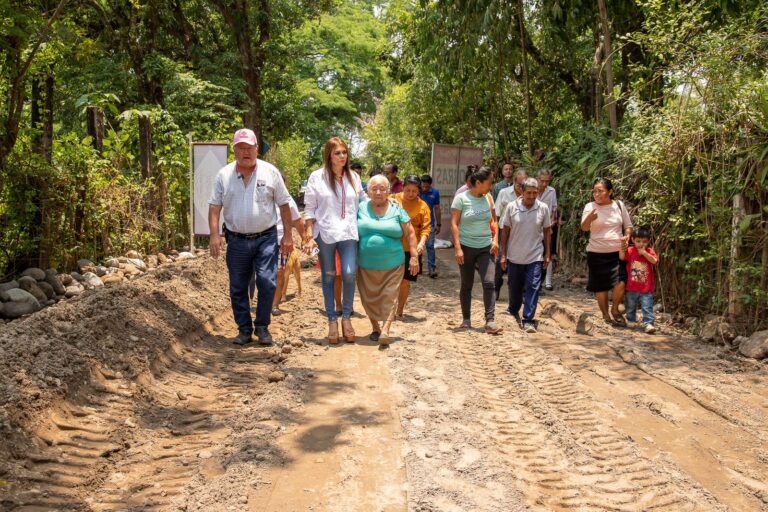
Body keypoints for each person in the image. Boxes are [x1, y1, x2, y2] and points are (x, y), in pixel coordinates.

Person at [208, 128, 294, 346]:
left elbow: (284, 205)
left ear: (257, 149)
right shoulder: (224, 175)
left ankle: (263, 326)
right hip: (235, 239)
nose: (246, 152)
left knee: (267, 281)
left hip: (265, 237)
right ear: (235, 150)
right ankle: (244, 329)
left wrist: (288, 237)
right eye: (241, 148)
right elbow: (214, 207)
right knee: (238, 285)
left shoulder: (270, 172)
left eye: (250, 148)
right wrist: (214, 234)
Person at [303, 137, 366, 344]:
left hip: (349, 232)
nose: (342, 156)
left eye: (344, 152)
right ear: (329, 155)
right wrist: (308, 235)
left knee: (349, 273)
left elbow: (363, 201)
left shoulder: (353, 177)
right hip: (326, 233)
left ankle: (346, 318)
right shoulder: (317, 177)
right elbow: (310, 208)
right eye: (337, 153)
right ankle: (332, 320)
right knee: (329, 276)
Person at [357, 175, 419, 345]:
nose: (378, 192)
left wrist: (414, 257)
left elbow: (411, 233)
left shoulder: (397, 209)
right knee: (369, 296)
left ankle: (386, 329)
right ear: (368, 191)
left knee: (390, 295)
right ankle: (375, 327)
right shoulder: (360, 208)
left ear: (388, 191)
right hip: (365, 264)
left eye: (382, 189)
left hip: (393, 263)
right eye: (374, 189)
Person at [451, 166, 503, 334]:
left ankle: (490, 321)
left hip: (485, 247)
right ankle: (466, 319)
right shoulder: (461, 199)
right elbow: (454, 224)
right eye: (489, 182)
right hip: (466, 247)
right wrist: (458, 248)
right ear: (478, 183)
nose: (491, 186)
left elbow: (494, 221)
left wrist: (495, 241)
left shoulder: (488, 198)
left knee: (489, 282)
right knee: (467, 283)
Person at [499, 178, 552, 333]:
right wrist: (503, 254)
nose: (531, 196)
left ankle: (528, 319)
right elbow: (506, 231)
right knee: (514, 287)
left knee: (533, 286)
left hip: (535, 255)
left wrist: (548, 253)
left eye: (535, 193)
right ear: (521, 192)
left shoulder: (543, 208)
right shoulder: (511, 207)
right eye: (528, 193)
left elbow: (547, 231)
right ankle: (513, 308)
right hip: (514, 255)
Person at [581, 177, 633, 325]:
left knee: (621, 282)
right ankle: (605, 315)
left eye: (600, 191)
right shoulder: (589, 206)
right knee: (600, 285)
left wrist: (627, 236)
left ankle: (615, 309)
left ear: (610, 192)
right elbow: (584, 228)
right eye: (594, 191)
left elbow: (628, 225)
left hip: (617, 252)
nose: (596, 194)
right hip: (596, 252)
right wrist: (589, 218)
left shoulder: (619, 205)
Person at [393, 175, 431, 320]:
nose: (410, 194)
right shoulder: (393, 200)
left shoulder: (423, 206)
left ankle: (399, 311)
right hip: (393, 246)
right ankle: (387, 308)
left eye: (414, 191)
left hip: (411, 249)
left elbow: (426, 229)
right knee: (390, 280)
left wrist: (421, 243)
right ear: (403, 188)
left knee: (405, 281)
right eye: (408, 190)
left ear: (419, 191)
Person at [494, 168, 528, 299]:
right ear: (514, 182)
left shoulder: (529, 196)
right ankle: (496, 286)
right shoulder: (504, 193)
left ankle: (521, 291)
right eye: (520, 185)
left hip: (522, 232)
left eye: (524, 185)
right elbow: (496, 215)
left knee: (522, 261)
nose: (522, 188)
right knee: (500, 259)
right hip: (504, 231)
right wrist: (495, 236)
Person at [270, 192, 305, 315]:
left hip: (282, 243)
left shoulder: (288, 199)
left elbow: (297, 220)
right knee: (265, 275)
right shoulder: (259, 196)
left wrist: (305, 239)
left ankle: (275, 304)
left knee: (280, 273)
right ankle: (267, 300)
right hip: (263, 242)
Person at [620, 226, 659, 334]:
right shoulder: (631, 250)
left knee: (647, 306)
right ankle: (631, 320)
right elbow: (622, 257)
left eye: (644, 242)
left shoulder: (650, 251)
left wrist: (645, 253)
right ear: (633, 240)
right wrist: (622, 247)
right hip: (632, 286)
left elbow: (655, 261)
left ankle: (649, 324)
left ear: (649, 241)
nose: (641, 244)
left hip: (646, 288)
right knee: (630, 305)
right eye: (638, 241)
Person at [537, 168, 558, 291]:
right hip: (534, 227)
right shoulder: (532, 190)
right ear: (537, 179)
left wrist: (551, 223)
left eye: (547, 181)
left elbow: (554, 209)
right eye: (542, 181)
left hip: (548, 227)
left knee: (548, 251)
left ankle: (548, 281)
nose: (545, 184)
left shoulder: (552, 191)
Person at [419, 175, 441, 278]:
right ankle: (418, 266)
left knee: (430, 246)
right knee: (417, 245)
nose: (425, 188)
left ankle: (432, 268)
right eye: (423, 186)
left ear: (430, 185)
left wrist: (439, 224)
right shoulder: (416, 192)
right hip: (416, 223)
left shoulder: (435, 193)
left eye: (426, 187)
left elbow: (437, 208)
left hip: (429, 224)